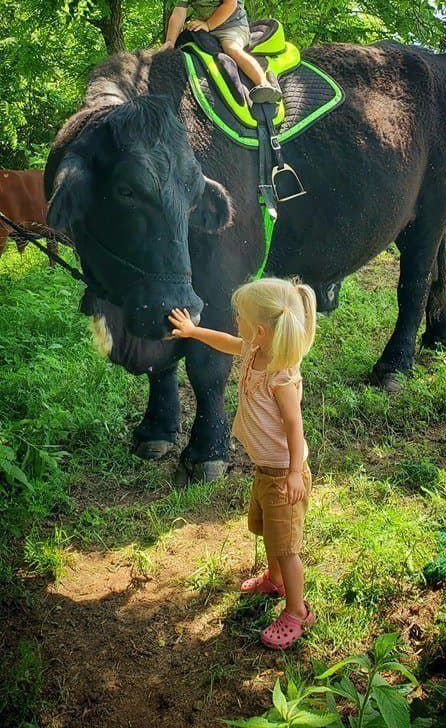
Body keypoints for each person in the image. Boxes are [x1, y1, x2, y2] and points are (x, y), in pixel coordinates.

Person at [168, 277, 316, 649]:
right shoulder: (255, 350)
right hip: (266, 470)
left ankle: (297, 611)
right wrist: (193, 331)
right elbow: (228, 342)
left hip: (284, 474)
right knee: (269, 533)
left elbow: (295, 427)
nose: (235, 320)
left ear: (261, 329)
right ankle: (275, 580)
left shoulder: (281, 375)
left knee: (289, 547)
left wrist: (296, 473)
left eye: (240, 316)